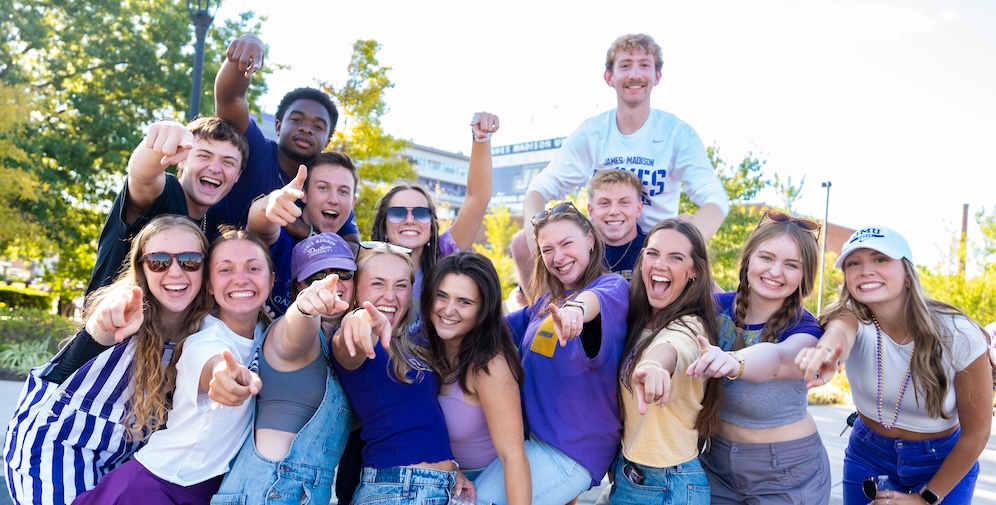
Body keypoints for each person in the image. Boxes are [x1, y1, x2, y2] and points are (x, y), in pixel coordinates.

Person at [4, 215, 214, 505]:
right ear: (141, 267)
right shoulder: (124, 309)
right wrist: (103, 326)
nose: (175, 272)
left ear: (205, 267)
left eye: (190, 260)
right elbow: (89, 341)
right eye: (159, 261)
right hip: (58, 449)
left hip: (126, 462)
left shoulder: (206, 330)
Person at [74, 229, 273, 504]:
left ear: (271, 280)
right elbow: (212, 363)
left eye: (253, 267)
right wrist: (223, 376)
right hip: (155, 486)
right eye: (225, 269)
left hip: (208, 488)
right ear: (209, 285)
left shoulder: (270, 332)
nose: (241, 278)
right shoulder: (204, 340)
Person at [512, 33, 729, 285]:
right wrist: (538, 238)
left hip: (653, 240)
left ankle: (720, 315)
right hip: (604, 237)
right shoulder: (592, 132)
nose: (635, 74)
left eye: (644, 65)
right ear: (609, 77)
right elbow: (539, 189)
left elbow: (715, 199)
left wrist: (675, 248)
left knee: (688, 225)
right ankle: (547, 312)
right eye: (625, 65)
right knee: (521, 242)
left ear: (657, 76)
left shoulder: (676, 133)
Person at [797, 226, 994, 505]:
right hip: (869, 454)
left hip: (943, 461)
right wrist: (825, 352)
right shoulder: (850, 318)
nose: (866, 270)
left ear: (907, 272)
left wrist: (926, 498)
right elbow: (839, 332)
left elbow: (977, 434)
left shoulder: (958, 335)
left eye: (880, 259)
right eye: (854, 263)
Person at [482, 201, 628, 505]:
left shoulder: (611, 287)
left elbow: (593, 301)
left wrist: (576, 311)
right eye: (547, 249)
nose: (557, 257)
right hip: (534, 446)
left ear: (590, 240)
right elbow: (491, 329)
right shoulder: (548, 301)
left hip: (570, 453)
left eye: (566, 243)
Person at [686, 209, 831, 503]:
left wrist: (735, 361)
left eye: (791, 265)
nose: (775, 271)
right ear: (749, 258)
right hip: (717, 463)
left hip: (788, 472)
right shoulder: (714, 307)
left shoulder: (805, 327)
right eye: (766, 258)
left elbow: (778, 360)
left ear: (805, 275)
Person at [210, 232, 354, 505]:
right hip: (266, 490)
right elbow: (295, 334)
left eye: (342, 272)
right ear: (298, 286)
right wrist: (305, 309)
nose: (329, 282)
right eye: (314, 278)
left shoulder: (342, 348)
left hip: (303, 494)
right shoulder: (284, 333)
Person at [330, 242, 471, 505]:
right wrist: (358, 319)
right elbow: (349, 340)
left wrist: (451, 468)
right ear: (357, 291)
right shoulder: (358, 339)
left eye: (401, 285)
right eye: (378, 283)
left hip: (433, 487)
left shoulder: (410, 346)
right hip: (397, 488)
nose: (391, 296)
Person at [607, 219, 721, 505]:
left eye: (676, 257)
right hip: (632, 475)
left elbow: (673, 347)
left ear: (693, 271)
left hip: (668, 485)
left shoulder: (691, 326)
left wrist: (656, 367)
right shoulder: (638, 320)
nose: (660, 264)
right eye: (653, 253)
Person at [212, 33, 359, 243]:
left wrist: (304, 231)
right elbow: (230, 98)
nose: (307, 129)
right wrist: (250, 46)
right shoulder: (255, 150)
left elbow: (352, 246)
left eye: (317, 126)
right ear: (278, 125)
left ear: (327, 142)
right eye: (297, 120)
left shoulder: (329, 188)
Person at [370, 111, 499, 337]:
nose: (410, 219)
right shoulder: (363, 264)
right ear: (383, 225)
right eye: (399, 212)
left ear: (431, 225)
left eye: (421, 213)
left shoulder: (445, 256)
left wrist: (481, 139)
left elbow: (477, 199)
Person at [86, 117, 248, 295]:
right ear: (182, 160)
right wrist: (163, 137)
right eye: (204, 156)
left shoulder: (216, 225)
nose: (215, 168)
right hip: (108, 320)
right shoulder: (166, 192)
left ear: (238, 175)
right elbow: (142, 176)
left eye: (228, 162)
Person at [425, 251, 531, 504]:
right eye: (441, 296)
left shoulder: (489, 366)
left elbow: (513, 457)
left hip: (484, 486)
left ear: (483, 310)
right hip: (441, 478)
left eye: (465, 302)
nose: (448, 310)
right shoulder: (426, 350)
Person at [247, 151, 359, 316]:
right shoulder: (283, 238)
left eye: (343, 191)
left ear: (353, 202)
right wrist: (268, 205)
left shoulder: (350, 254)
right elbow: (260, 228)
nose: (333, 199)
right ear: (304, 194)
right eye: (323, 187)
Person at [587, 168, 645, 279]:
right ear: (591, 211)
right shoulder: (579, 254)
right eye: (604, 203)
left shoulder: (653, 252)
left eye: (624, 203)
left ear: (638, 209)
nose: (614, 212)